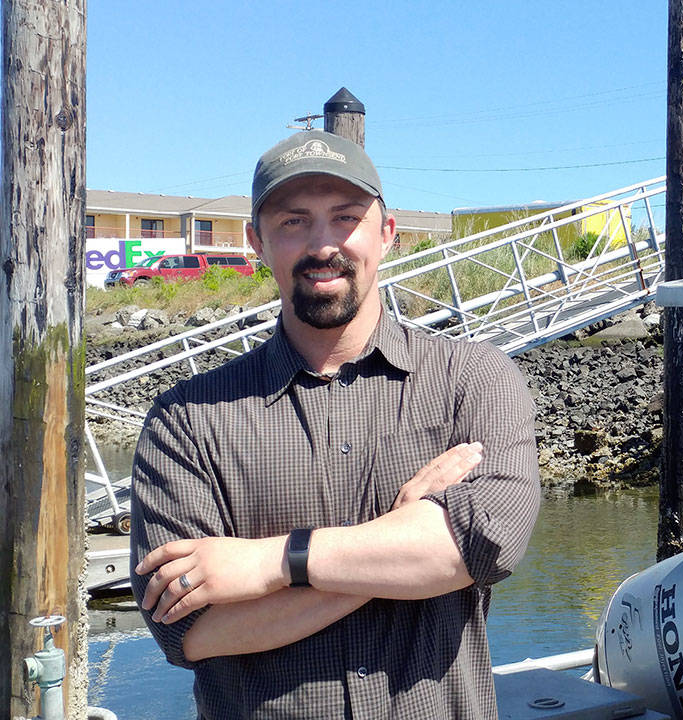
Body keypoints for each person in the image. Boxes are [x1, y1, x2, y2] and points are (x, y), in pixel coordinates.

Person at [129, 129, 540, 719]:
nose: (323, 245)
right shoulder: (185, 420)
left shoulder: (474, 379)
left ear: (387, 233)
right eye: (293, 222)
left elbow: (484, 544)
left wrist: (273, 563)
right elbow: (190, 630)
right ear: (256, 242)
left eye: (346, 217)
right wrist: (399, 539)